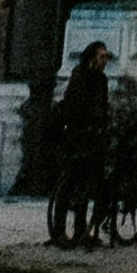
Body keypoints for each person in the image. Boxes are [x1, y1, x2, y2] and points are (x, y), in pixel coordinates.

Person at [44, 38, 114, 250]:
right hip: (76, 135)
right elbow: (74, 105)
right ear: (92, 58)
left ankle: (81, 231)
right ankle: (59, 230)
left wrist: (103, 124)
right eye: (102, 56)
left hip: (93, 136)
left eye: (106, 57)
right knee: (70, 183)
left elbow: (103, 106)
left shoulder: (102, 80)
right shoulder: (79, 75)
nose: (105, 60)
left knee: (87, 184)